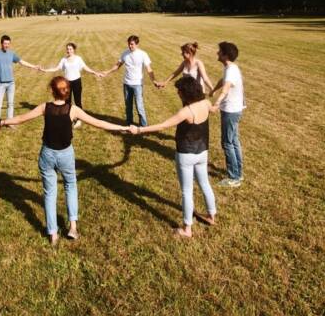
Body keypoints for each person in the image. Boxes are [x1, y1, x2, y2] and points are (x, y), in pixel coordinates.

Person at [1, 76, 129, 245]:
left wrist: (2, 122)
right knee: (70, 186)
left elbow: (20, 119)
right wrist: (122, 127)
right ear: (68, 92)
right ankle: (73, 227)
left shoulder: (44, 107)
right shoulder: (73, 110)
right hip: (65, 155)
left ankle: (53, 234)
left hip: (47, 154)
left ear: (52, 91)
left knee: (49, 193)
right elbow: (98, 123)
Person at [129, 76, 217, 237]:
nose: (177, 93)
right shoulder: (206, 103)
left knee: (187, 191)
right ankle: (211, 216)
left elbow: (162, 125)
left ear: (186, 93)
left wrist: (139, 130)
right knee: (205, 184)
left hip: (186, 155)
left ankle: (186, 228)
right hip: (203, 152)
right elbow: (213, 108)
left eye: (179, 90)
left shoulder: (186, 112)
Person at [37, 42, 103, 127]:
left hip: (77, 82)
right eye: (67, 49)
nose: (69, 50)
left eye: (70, 49)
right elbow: (56, 68)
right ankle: (68, 118)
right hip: (67, 83)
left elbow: (85, 68)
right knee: (67, 102)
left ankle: (79, 119)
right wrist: (45, 70)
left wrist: (95, 72)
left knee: (77, 101)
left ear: (74, 50)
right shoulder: (64, 59)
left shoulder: (78, 59)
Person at [100, 35, 158, 126]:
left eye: (132, 44)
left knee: (139, 106)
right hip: (126, 84)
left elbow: (149, 69)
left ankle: (143, 127)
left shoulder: (143, 54)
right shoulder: (125, 53)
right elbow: (117, 65)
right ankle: (129, 125)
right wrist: (107, 72)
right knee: (128, 106)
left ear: (137, 44)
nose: (130, 46)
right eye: (129, 44)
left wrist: (154, 81)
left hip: (138, 84)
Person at [210, 41, 246, 188]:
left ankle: (234, 177)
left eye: (219, 51)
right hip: (235, 109)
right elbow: (222, 81)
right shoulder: (230, 68)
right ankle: (238, 173)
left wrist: (216, 104)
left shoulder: (231, 70)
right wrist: (213, 89)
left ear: (225, 55)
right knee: (234, 141)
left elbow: (226, 89)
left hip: (230, 111)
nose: (217, 53)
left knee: (227, 143)